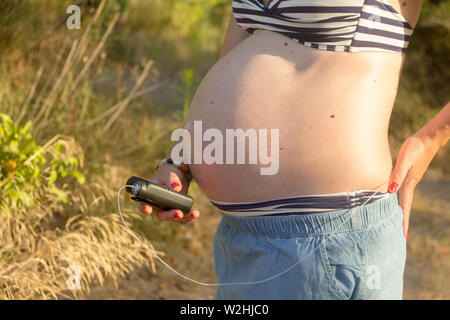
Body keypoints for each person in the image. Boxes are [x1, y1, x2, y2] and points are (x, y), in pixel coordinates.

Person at [138, 0, 449, 299]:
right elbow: (231, 64)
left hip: (326, 236)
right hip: (242, 239)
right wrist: (179, 163)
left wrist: (431, 138)